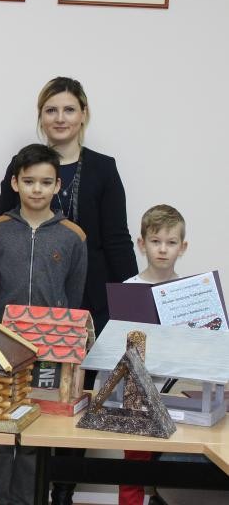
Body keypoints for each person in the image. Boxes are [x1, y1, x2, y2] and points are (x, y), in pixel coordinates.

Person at [0, 77, 137, 505]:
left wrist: (134, 304)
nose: (60, 118)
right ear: (41, 117)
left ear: (83, 115)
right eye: (51, 110)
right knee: (28, 399)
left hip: (87, 304)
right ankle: (23, 491)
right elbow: (5, 234)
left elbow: (117, 239)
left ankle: (62, 490)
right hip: (27, 309)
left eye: (69, 109)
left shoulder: (104, 168)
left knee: (75, 399)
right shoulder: (22, 164)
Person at [0, 144, 87, 505]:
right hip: (0, 347)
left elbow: (73, 298)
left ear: (58, 185)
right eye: (29, 181)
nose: (37, 189)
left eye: (45, 182)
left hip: (48, 354)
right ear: (15, 183)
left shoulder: (73, 236)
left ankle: (28, 500)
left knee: (35, 432)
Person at [119, 205, 187, 505]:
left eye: (171, 242)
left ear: (182, 247)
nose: (162, 249)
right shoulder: (127, 290)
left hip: (177, 395)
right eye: (155, 241)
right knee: (133, 470)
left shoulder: (189, 293)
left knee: (171, 467)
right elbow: (119, 350)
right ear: (141, 243)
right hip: (136, 397)